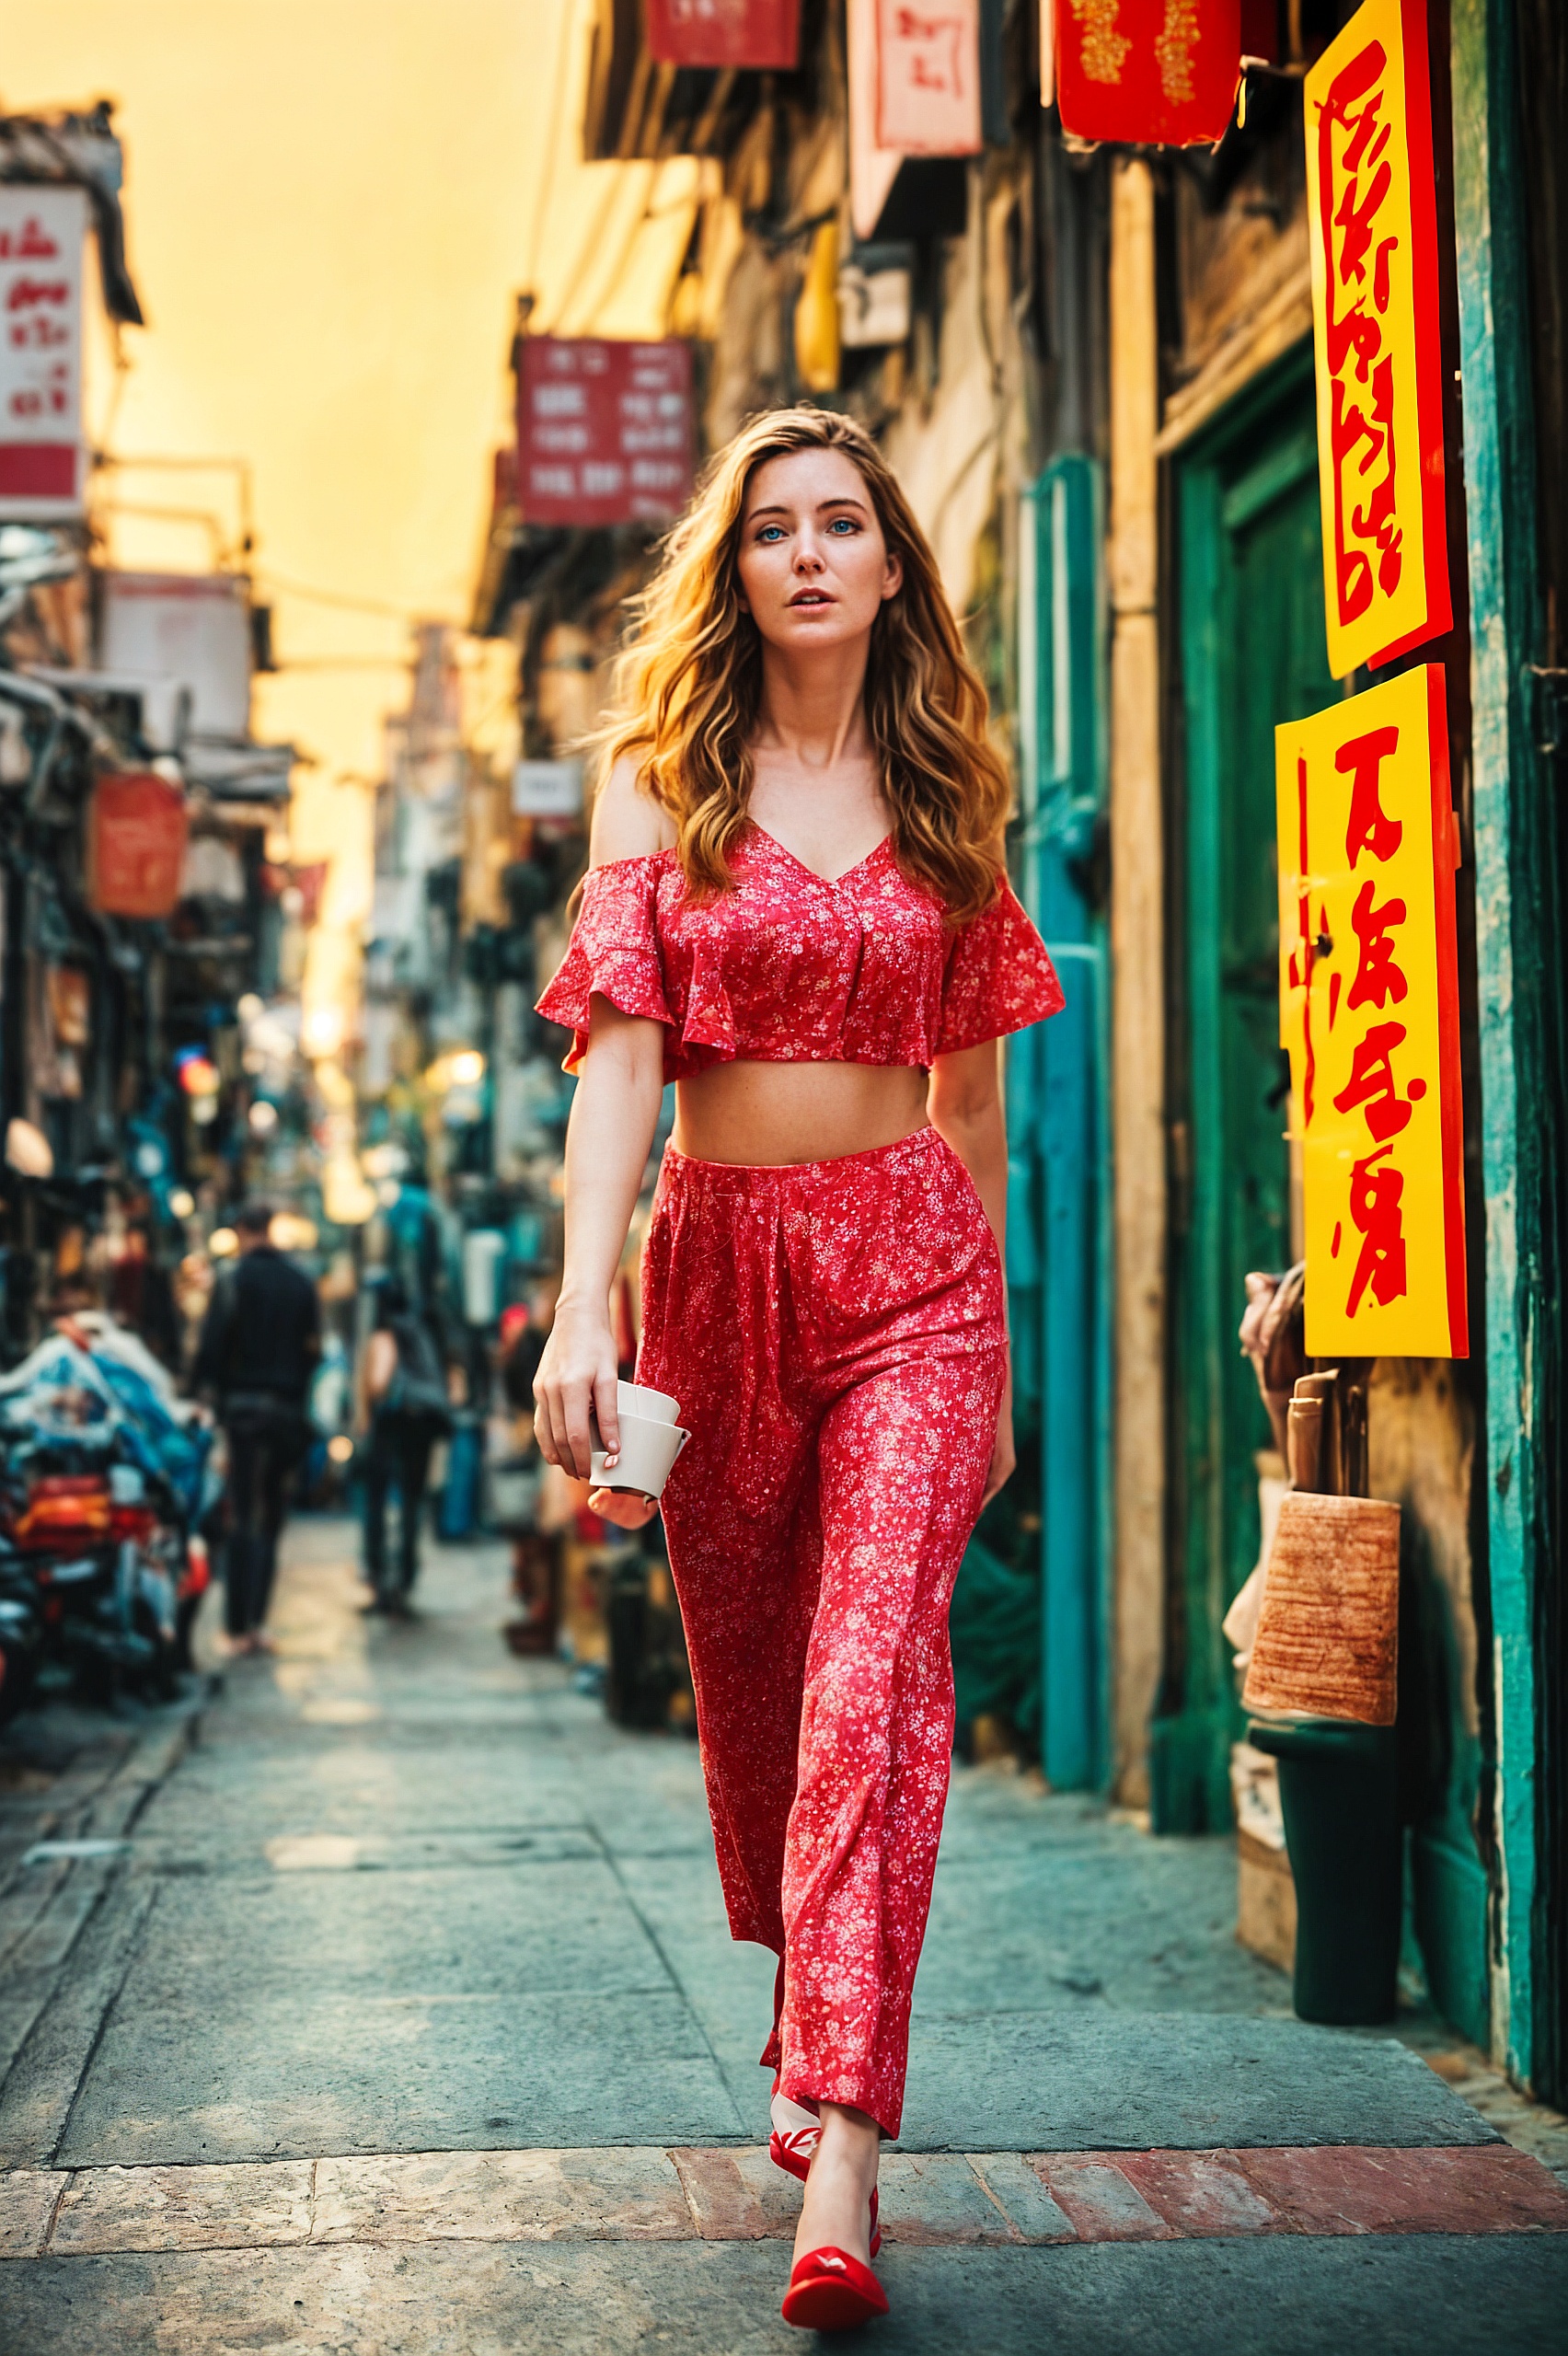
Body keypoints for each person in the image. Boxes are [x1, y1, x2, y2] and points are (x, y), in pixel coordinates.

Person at [531, 408, 1062, 2332]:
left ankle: (839, 2140)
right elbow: (618, 1066)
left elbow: (979, 1095)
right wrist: (587, 1300)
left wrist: (991, 1348)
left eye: (849, 522)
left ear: (897, 562)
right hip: (718, 1273)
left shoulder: (949, 788)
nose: (814, 553)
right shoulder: (658, 777)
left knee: (870, 1682)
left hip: (914, 1268)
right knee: (764, 1690)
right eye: (776, 528)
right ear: (735, 567)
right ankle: (808, 1993)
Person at [193, 1201, 319, 1655]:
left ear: (243, 1231)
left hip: (243, 1412)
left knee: (242, 1517)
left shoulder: (232, 1280)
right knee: (271, 1518)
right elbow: (313, 1351)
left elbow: (210, 1349)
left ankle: (235, 1627)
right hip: (286, 1412)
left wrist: (206, 1394)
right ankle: (258, 1624)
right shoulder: (300, 1281)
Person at [361, 1276, 450, 1615]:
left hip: (396, 1422)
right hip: (425, 1423)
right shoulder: (419, 1329)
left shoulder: (386, 1333)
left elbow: (379, 1381)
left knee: (379, 1501)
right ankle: (405, 1580)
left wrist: (366, 1401)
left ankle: (383, 1581)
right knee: (413, 1502)